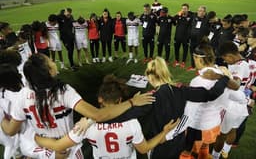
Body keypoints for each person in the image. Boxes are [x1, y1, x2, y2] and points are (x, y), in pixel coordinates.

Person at [1, 53, 154, 158]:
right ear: (48, 71)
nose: (53, 62)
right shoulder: (63, 91)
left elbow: (10, 130)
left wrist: (3, 117)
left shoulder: (22, 96)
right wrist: (132, 102)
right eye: (50, 62)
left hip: (44, 148)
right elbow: (98, 115)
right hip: (69, 148)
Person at [106, 56, 236, 159]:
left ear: (150, 77)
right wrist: (224, 79)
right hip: (178, 142)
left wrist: (93, 119)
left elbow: (122, 116)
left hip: (159, 144)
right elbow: (211, 95)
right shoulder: (182, 90)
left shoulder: (149, 99)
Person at [34, 74, 180, 158]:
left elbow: (58, 145)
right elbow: (144, 149)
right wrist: (165, 132)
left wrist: (35, 138)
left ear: (100, 99)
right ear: (120, 100)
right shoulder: (132, 123)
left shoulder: (84, 124)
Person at [180, 44, 247, 159]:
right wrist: (248, 100)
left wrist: (180, 128)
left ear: (199, 59)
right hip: (214, 125)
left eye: (194, 58)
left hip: (198, 126)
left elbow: (190, 110)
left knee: (188, 153)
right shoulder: (223, 74)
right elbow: (239, 96)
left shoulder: (197, 81)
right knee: (204, 148)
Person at [212, 41, 251, 158]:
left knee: (221, 135)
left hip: (233, 105)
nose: (225, 61)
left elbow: (235, 84)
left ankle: (214, 156)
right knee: (233, 129)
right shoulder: (248, 61)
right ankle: (226, 150)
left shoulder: (239, 66)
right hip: (242, 104)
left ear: (230, 55)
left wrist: (220, 75)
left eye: (225, 58)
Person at [0, 50, 23, 159]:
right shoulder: (16, 96)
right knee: (13, 147)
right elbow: (10, 131)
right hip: (12, 130)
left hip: (12, 127)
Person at [188, 6, 209, 71]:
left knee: (201, 54)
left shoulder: (207, 20)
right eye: (199, 11)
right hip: (193, 39)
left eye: (202, 11)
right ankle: (193, 66)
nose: (200, 12)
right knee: (192, 53)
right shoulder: (194, 17)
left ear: (205, 12)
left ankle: (201, 68)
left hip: (201, 40)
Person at [173, 3, 193, 68]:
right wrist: (177, 14)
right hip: (177, 36)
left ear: (188, 9)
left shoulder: (191, 16)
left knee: (185, 49)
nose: (183, 10)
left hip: (186, 37)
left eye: (185, 9)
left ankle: (183, 61)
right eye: (182, 8)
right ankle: (177, 60)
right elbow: (172, 20)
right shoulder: (179, 16)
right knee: (176, 49)